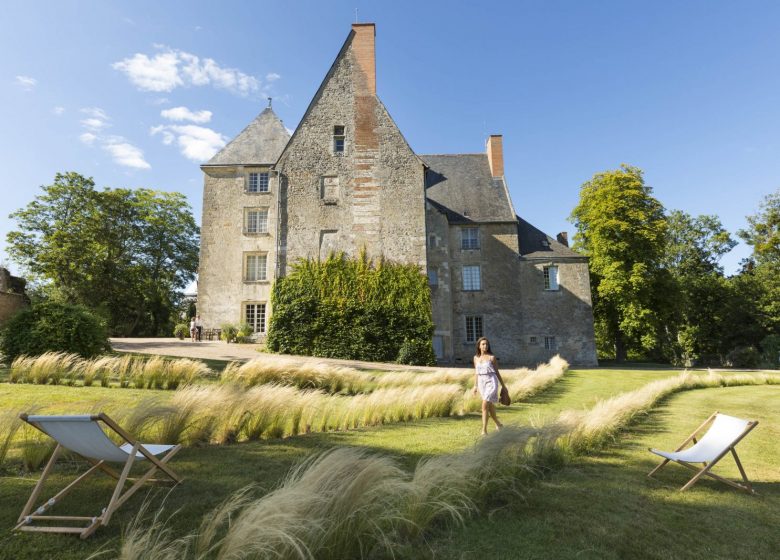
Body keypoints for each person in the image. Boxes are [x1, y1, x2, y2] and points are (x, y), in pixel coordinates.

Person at [472, 336, 507, 435]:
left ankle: (484, 430)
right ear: (479, 346)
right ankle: (499, 424)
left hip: (491, 381)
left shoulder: (492, 358)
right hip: (481, 383)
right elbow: (476, 372)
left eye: (486, 344)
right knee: (490, 405)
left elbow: (497, 372)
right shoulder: (475, 358)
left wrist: (503, 386)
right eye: (483, 344)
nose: (485, 346)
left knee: (484, 404)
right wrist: (475, 386)